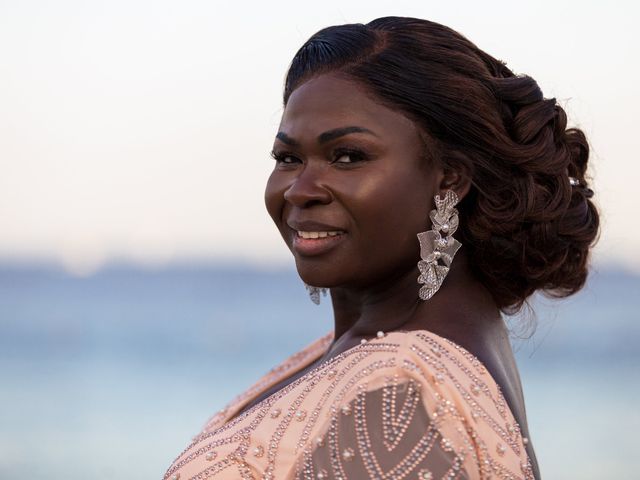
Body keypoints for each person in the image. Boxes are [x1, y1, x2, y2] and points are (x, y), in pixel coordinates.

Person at [164, 17, 598, 480]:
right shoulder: (383, 349)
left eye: (348, 156)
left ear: (450, 176)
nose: (299, 190)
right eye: (288, 158)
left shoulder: (398, 399)